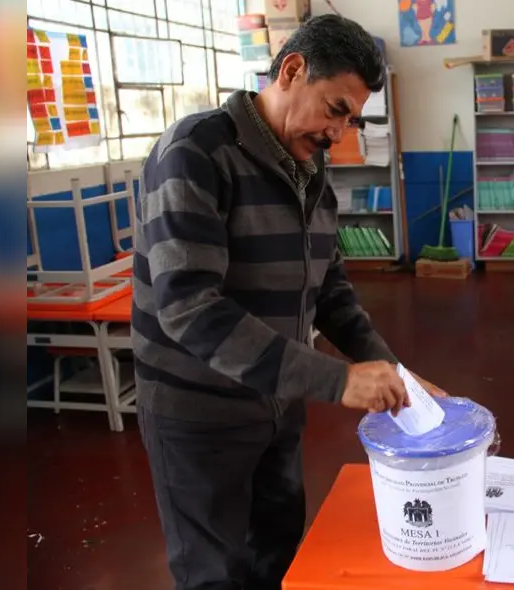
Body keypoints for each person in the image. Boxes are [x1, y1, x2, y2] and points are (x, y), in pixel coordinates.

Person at [131, 15, 445, 590]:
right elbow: (189, 308)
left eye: (352, 120)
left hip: (276, 402)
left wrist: (398, 374)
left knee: (276, 553)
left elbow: (330, 290)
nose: (339, 133)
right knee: (214, 573)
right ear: (292, 70)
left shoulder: (309, 166)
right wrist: (337, 380)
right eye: (335, 109)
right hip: (199, 414)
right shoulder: (196, 152)